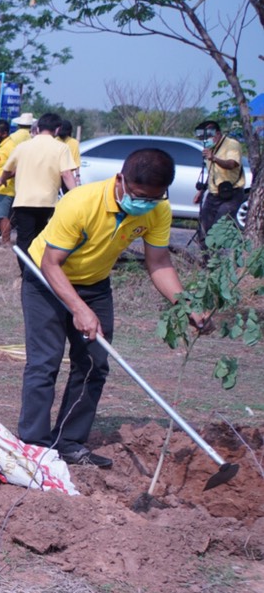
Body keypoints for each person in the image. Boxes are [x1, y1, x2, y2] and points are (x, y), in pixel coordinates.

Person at [20, 147, 204, 467]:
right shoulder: (80, 202)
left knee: (94, 364)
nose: (144, 203)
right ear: (121, 179)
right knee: (44, 362)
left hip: (95, 285)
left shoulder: (156, 209)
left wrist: (185, 304)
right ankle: (33, 446)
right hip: (46, 280)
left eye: (155, 197)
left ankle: (69, 442)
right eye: (139, 195)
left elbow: (159, 261)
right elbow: (51, 264)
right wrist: (78, 309)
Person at [0, 111, 79, 258]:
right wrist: (77, 194)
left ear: (37, 128)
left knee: (24, 240)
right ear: (57, 129)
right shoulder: (61, 148)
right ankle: (36, 271)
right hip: (47, 203)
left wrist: (3, 179)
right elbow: (66, 174)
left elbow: (7, 169)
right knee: (41, 239)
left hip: (23, 202)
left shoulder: (22, 147)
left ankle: (25, 273)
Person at [194, 120, 249, 249]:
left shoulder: (231, 145)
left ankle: (219, 260)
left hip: (231, 193)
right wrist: (201, 191)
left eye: (209, 135)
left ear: (218, 134)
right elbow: (213, 173)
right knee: (204, 229)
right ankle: (206, 261)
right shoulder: (209, 149)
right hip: (213, 194)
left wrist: (214, 158)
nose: (205, 139)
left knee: (219, 228)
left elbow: (232, 164)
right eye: (202, 137)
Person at [0, 113, 34, 244]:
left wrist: (2, 178)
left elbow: (17, 166)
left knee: (2, 217)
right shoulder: (10, 141)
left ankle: (5, 243)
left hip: (4, 187)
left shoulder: (12, 143)